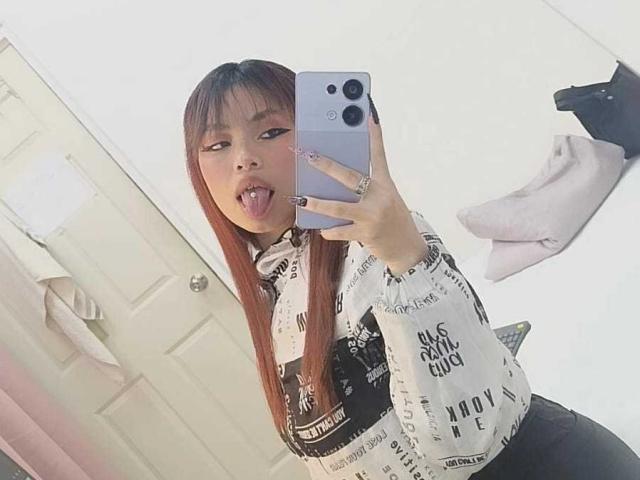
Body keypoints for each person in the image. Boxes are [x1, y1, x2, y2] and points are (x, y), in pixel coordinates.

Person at [182, 59, 640, 479]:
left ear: (312, 141)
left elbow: (467, 438)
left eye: (271, 132)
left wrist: (406, 259)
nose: (243, 158)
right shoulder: (275, 294)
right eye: (218, 145)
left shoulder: (382, 240)